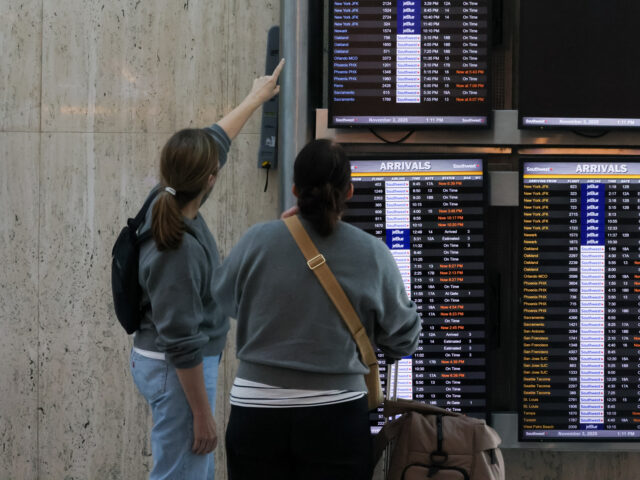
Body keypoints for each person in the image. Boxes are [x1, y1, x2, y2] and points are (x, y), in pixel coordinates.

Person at [212, 139, 422, 480]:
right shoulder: (372, 254)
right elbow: (404, 337)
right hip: (336, 415)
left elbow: (223, 298)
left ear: (295, 189)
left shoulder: (257, 240)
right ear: (349, 191)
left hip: (255, 411)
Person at [129, 58, 285, 480]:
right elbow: (180, 339)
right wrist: (201, 414)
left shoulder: (166, 197)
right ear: (211, 179)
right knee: (183, 474)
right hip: (176, 370)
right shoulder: (176, 248)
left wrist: (256, 97)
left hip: (169, 365)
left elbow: (216, 139)